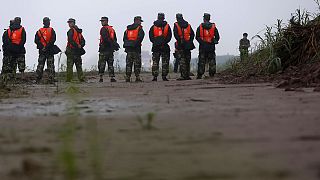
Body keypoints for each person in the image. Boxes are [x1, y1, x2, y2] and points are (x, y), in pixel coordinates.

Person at [34, 17, 60, 84]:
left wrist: (42, 47)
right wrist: (47, 46)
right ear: (48, 22)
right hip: (49, 50)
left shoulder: (39, 31)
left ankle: (38, 79)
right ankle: (51, 78)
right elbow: (53, 40)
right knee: (50, 65)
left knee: (40, 65)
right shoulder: (51, 30)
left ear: (43, 22)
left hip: (42, 51)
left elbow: (36, 40)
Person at [196, 13, 220, 79]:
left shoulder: (200, 27)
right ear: (209, 18)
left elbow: (197, 37)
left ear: (204, 19)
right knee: (212, 61)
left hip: (202, 47)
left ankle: (199, 75)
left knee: (201, 61)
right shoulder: (213, 27)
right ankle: (212, 75)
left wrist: (202, 42)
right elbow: (217, 37)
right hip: (211, 47)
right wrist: (214, 41)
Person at [149, 13, 172, 81]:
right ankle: (164, 77)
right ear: (163, 18)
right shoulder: (167, 26)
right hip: (165, 47)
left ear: (157, 17)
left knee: (155, 62)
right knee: (165, 62)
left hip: (156, 47)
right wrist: (163, 42)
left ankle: (155, 77)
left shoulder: (153, 27)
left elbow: (151, 37)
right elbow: (169, 36)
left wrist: (156, 42)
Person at [173, 13, 195, 80]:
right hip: (188, 45)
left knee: (182, 61)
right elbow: (192, 34)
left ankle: (183, 76)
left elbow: (175, 34)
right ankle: (187, 75)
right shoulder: (188, 25)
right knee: (187, 60)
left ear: (177, 18)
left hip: (180, 45)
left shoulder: (176, 25)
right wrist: (190, 41)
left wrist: (180, 41)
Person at [123, 16, 145, 82]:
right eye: (140, 21)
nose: (141, 23)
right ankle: (137, 77)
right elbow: (140, 38)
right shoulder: (140, 29)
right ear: (136, 21)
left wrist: (128, 45)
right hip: (136, 49)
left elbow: (124, 39)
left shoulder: (127, 29)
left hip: (129, 49)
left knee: (128, 64)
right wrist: (134, 44)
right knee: (137, 64)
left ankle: (127, 78)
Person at [98, 17, 120, 83]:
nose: (102, 22)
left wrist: (108, 44)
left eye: (103, 21)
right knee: (110, 64)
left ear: (106, 21)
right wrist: (114, 45)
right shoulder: (112, 29)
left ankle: (101, 78)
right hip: (110, 49)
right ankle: (112, 77)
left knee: (102, 64)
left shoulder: (103, 29)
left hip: (104, 49)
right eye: (101, 21)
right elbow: (115, 39)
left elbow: (105, 38)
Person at [65, 18, 86, 82]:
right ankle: (81, 78)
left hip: (71, 51)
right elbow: (83, 41)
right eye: (69, 22)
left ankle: (69, 79)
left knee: (70, 66)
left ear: (74, 23)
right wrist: (80, 46)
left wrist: (78, 45)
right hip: (77, 51)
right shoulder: (79, 32)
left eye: (70, 22)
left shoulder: (70, 31)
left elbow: (70, 40)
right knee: (78, 65)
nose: (69, 24)